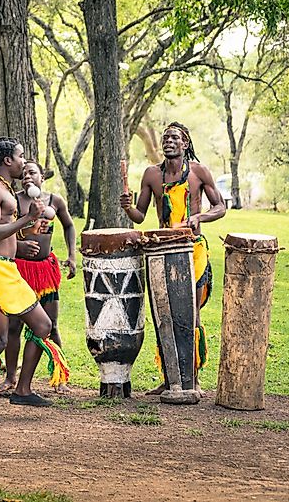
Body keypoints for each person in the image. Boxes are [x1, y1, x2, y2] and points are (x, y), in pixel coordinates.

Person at [0, 138, 69, 423]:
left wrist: (24, 239)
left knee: (43, 325)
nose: (24, 162)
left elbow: (1, 235)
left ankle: (22, 389)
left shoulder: (5, 189)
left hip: (7, 270)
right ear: (8, 160)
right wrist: (25, 220)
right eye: (21, 157)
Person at [119, 121, 226, 394]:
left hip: (194, 250)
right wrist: (128, 207)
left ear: (185, 143)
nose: (169, 141)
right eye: (166, 137)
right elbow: (140, 216)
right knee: (164, 314)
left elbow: (220, 207)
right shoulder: (152, 175)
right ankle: (170, 379)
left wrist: (198, 217)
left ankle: (192, 380)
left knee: (191, 315)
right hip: (163, 253)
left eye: (175, 137)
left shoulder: (199, 172)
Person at [0, 160, 77, 394]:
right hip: (21, 269)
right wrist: (21, 243)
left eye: (32, 172)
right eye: (23, 173)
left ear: (42, 177)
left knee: (51, 325)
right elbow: (7, 231)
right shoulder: (15, 201)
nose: (27, 176)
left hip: (45, 270)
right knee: (13, 325)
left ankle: (60, 375)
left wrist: (72, 256)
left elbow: (69, 226)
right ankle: (11, 377)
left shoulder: (55, 200)